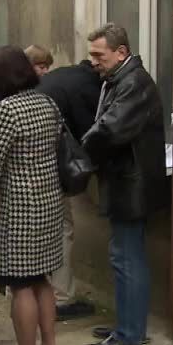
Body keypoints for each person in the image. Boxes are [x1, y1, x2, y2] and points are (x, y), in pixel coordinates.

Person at [0, 46, 65, 345]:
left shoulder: (4, 110)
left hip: (19, 208)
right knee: (42, 278)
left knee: (20, 283)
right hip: (49, 202)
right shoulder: (47, 103)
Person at [80, 23, 166, 345]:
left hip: (132, 185)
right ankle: (129, 325)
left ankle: (129, 333)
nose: (93, 62)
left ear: (121, 52)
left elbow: (110, 129)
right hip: (126, 182)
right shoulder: (120, 79)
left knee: (126, 258)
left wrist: (79, 151)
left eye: (98, 55)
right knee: (125, 255)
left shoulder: (133, 83)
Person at [37, 56, 104, 322]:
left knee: (40, 229)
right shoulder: (89, 86)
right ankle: (61, 298)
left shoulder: (61, 75)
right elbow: (90, 131)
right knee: (62, 229)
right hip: (52, 167)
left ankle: (25, 290)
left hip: (36, 167)